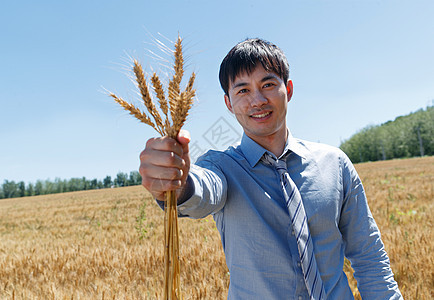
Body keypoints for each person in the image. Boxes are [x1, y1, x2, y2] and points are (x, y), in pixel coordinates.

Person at [139, 38, 402, 299]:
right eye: (242, 90)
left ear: (287, 89)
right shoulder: (222, 166)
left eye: (268, 84)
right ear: (228, 103)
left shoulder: (335, 164)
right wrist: (178, 182)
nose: (257, 100)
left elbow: (369, 255)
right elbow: (203, 189)